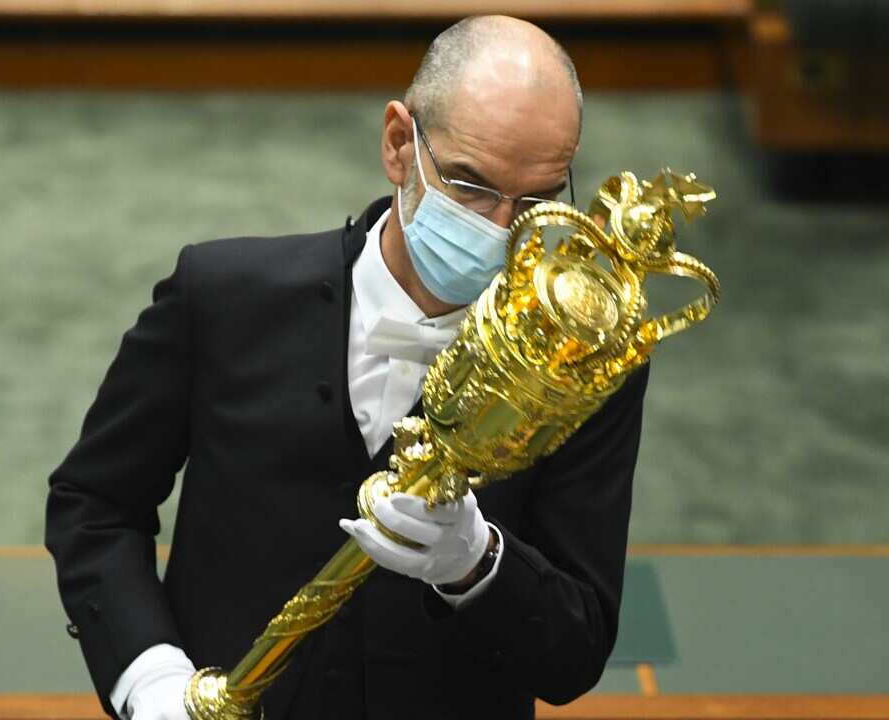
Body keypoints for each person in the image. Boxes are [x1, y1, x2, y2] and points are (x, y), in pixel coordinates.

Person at [45, 15, 650, 720]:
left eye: (538, 202)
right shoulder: (220, 297)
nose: (499, 229)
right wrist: (148, 678)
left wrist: (477, 563)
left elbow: (573, 654)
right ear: (399, 145)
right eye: (470, 186)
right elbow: (96, 505)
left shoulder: (585, 369)